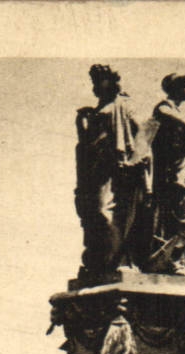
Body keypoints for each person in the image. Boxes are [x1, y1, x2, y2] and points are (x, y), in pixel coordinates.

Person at [75, 64, 152, 280]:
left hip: (117, 171)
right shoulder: (98, 109)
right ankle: (101, 262)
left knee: (108, 213)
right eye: (94, 81)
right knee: (93, 215)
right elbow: (87, 145)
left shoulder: (124, 105)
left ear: (113, 81)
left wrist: (135, 161)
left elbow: (144, 133)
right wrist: (82, 125)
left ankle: (118, 259)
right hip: (95, 171)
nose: (96, 86)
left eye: (100, 80)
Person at [146, 71, 185, 274]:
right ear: (174, 87)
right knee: (181, 219)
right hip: (169, 177)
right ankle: (171, 261)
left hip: (180, 176)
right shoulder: (165, 107)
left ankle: (173, 261)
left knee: (179, 220)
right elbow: (162, 114)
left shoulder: (175, 111)